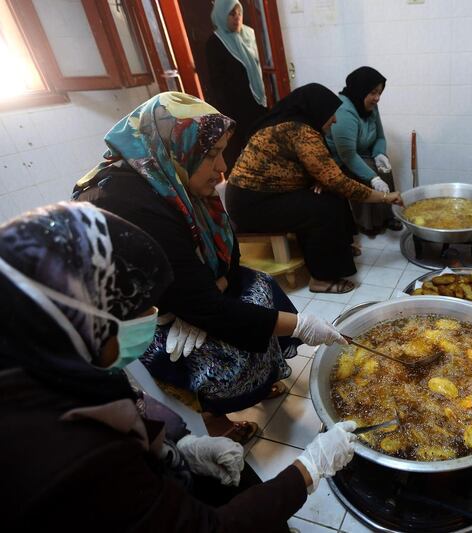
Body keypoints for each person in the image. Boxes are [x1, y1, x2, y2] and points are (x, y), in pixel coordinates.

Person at [0, 202, 358, 532]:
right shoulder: (67, 459)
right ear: (87, 318)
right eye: (140, 307)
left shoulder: (49, 367)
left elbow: (130, 408)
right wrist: (310, 468)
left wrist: (182, 445)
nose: (152, 317)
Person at [74, 92, 344, 443]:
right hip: (135, 321)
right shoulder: (129, 204)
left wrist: (212, 290)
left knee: (261, 288)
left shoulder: (171, 177)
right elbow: (201, 306)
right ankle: (212, 417)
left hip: (185, 288)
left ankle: (260, 381)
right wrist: (304, 326)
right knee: (223, 350)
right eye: (213, 154)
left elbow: (228, 253)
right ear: (177, 147)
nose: (223, 169)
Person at [226, 83, 403, 294]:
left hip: (266, 195)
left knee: (330, 193)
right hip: (252, 204)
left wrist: (319, 180)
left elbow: (314, 170)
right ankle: (322, 279)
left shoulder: (293, 123)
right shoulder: (300, 131)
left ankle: (339, 249)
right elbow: (340, 182)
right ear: (317, 112)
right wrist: (385, 197)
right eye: (331, 115)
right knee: (322, 208)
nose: (335, 120)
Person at [326, 66, 403, 235]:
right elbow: (348, 155)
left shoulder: (370, 106)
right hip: (340, 159)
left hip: (362, 152)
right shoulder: (344, 111)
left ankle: (387, 215)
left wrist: (380, 154)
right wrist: (373, 178)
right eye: (373, 92)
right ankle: (369, 223)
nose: (377, 98)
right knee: (370, 173)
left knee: (385, 167)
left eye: (380, 93)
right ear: (360, 90)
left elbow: (380, 137)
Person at [206, 0, 268, 171]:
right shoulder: (215, 42)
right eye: (231, 14)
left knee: (264, 146)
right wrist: (225, 116)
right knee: (239, 152)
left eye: (238, 12)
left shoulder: (250, 35)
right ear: (221, 15)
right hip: (234, 108)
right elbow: (216, 83)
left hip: (258, 102)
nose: (237, 18)